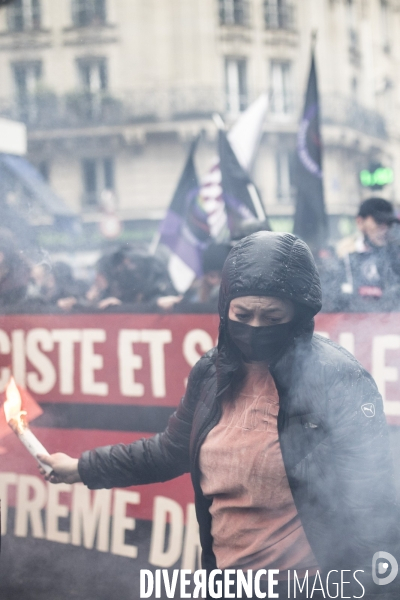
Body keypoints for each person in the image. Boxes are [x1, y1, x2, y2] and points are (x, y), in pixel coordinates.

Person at [38, 232, 398, 599]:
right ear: (225, 309)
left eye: (272, 316)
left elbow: (373, 503)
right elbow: (168, 451)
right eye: (242, 314)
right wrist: (81, 468)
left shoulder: (338, 379)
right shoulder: (211, 373)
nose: (255, 326)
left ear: (298, 314)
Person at [336, 197, 400, 311]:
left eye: (389, 223)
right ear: (360, 222)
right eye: (379, 222)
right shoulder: (345, 256)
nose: (384, 229)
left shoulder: (396, 255)